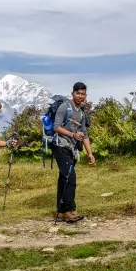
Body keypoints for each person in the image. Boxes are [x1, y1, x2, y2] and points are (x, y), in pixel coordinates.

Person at [51, 82, 95, 223]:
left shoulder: (81, 113)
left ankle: (61, 212)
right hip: (60, 146)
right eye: (78, 93)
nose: (80, 96)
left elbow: (85, 134)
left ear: (85, 95)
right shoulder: (65, 107)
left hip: (71, 148)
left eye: (83, 94)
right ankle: (70, 210)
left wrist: (90, 153)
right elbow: (56, 127)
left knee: (64, 178)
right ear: (73, 93)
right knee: (70, 177)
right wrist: (72, 135)